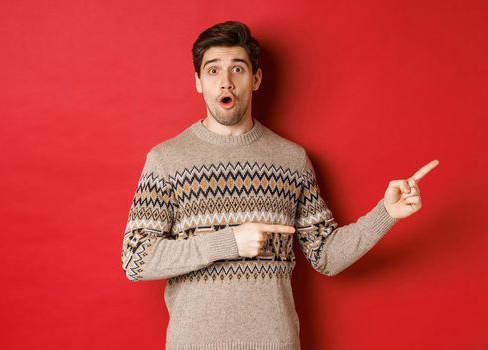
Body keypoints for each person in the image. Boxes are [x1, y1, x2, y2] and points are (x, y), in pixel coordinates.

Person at [121, 20, 438, 350]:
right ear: (198, 82)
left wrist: (386, 212)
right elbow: (135, 259)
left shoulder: (291, 160)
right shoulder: (166, 160)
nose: (225, 82)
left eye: (238, 69)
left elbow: (326, 256)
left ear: (255, 79)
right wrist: (228, 241)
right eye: (213, 71)